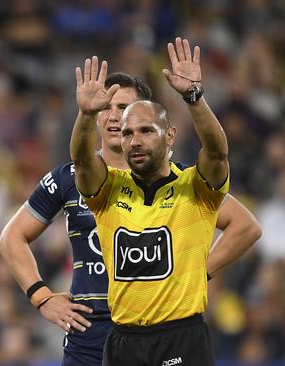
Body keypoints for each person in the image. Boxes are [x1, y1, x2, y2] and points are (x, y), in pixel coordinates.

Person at [0, 68, 261, 365]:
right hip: (91, 328)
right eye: (105, 106)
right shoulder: (73, 178)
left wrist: (197, 273)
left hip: (167, 324)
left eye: (123, 108)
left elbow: (245, 226)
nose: (112, 115)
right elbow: (12, 237)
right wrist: (41, 296)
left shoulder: (183, 182)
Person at [68, 37, 248, 365]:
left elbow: (218, 152)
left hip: (182, 336)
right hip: (123, 340)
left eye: (146, 131)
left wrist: (194, 98)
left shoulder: (197, 187)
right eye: (127, 134)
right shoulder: (108, 190)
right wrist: (84, 116)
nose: (135, 141)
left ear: (170, 136)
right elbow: (81, 162)